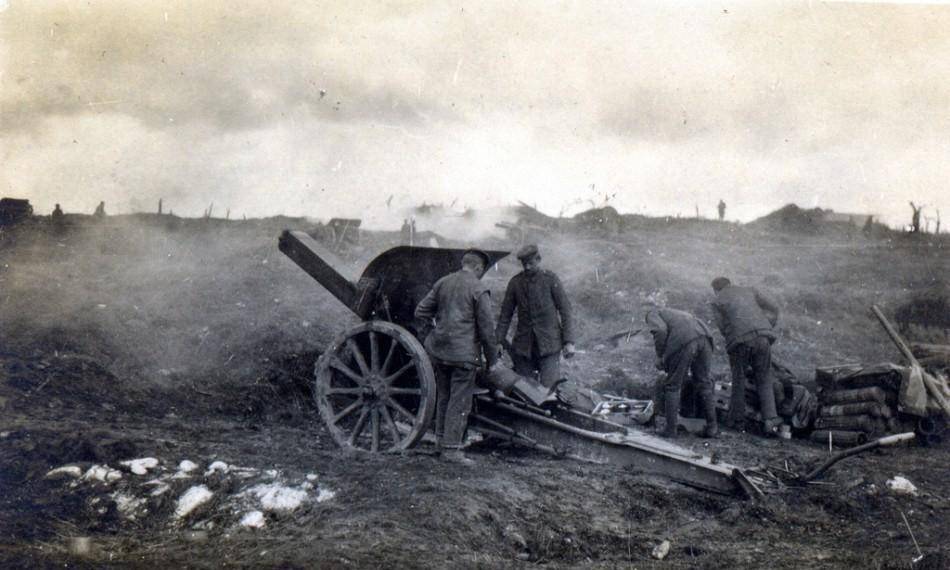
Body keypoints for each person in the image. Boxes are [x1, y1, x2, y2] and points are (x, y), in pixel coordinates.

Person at [414, 249, 500, 463]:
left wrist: (433, 334)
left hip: (440, 351)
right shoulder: (479, 288)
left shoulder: (443, 282)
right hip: (464, 355)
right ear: (479, 268)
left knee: (444, 396)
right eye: (482, 270)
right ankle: (451, 450)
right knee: (460, 401)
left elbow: (420, 311)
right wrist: (493, 361)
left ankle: (440, 443)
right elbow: (487, 331)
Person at [496, 244, 576, 389]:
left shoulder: (551, 279)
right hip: (524, 347)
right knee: (526, 391)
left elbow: (566, 310)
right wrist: (498, 341)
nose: (527, 267)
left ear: (538, 260)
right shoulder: (515, 283)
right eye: (524, 264)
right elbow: (505, 315)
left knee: (549, 390)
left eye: (530, 263)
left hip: (549, 345)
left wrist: (569, 341)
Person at [710, 277, 783, 434]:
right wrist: (768, 325)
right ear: (729, 283)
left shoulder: (717, 301)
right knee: (764, 378)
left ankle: (737, 421)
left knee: (739, 380)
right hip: (763, 337)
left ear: (716, 289)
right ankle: (771, 422)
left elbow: (722, 327)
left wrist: (734, 334)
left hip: (739, 342)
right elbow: (774, 307)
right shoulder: (750, 290)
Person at [645, 307, 718, 438]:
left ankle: (670, 430)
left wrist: (661, 355)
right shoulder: (674, 313)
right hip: (705, 336)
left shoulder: (652, 313)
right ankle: (712, 427)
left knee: (673, 385)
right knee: (704, 383)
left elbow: (660, 331)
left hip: (686, 339)